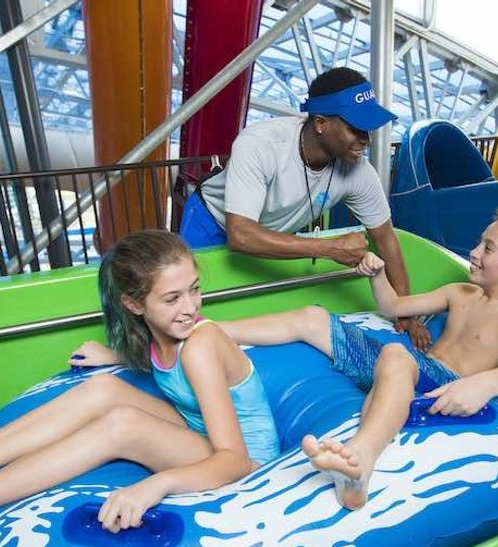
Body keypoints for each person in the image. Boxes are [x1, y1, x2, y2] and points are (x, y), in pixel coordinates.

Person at [0, 231, 280, 547]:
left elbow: (234, 460)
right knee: (100, 391)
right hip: (196, 429)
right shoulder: (162, 337)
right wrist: (115, 357)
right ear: (133, 305)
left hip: (246, 459)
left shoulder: (199, 342)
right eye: (173, 298)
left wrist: (155, 485)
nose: (191, 307)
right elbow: (167, 364)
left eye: (194, 290)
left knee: (122, 424)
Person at [219, 209, 498, 510]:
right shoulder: (462, 293)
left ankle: (360, 460)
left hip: (439, 388)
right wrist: (377, 275)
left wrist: (482, 385)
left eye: (487, 248)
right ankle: (212, 330)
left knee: (397, 354)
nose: (473, 252)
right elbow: (394, 308)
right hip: (403, 369)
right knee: (314, 317)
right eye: (479, 242)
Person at [179, 66, 430, 350]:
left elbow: (386, 239)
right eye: (355, 129)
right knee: (185, 303)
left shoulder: (359, 171)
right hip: (212, 221)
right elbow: (242, 236)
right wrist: (330, 248)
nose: (365, 140)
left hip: (269, 231)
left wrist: (405, 311)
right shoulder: (261, 144)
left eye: (368, 131)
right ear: (321, 123)